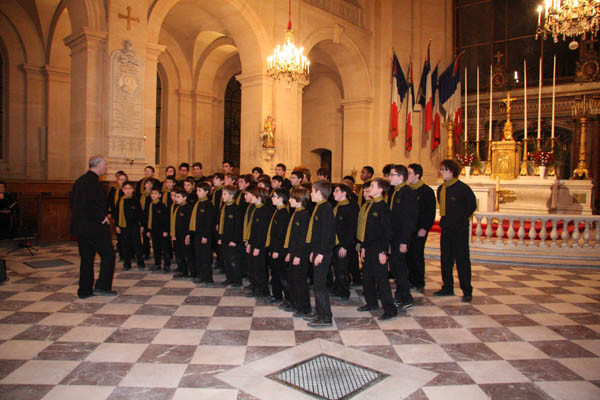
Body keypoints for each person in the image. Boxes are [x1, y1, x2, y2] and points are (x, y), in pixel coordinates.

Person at [70, 156, 116, 298]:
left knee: (86, 259)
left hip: (81, 227)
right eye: (105, 165)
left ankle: (84, 290)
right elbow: (90, 204)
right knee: (109, 254)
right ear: (98, 165)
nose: (106, 168)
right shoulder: (93, 183)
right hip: (95, 228)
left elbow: (73, 202)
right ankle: (102, 286)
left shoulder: (79, 181)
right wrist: (102, 217)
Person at [435, 159, 477, 302]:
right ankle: (447, 286)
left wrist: (460, 219)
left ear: (450, 171)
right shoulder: (441, 189)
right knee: (445, 259)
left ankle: (467, 290)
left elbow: (471, 206)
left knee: (462, 260)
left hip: (459, 229)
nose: (440, 172)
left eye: (442, 170)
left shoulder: (463, 188)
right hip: (446, 228)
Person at [356, 178, 397, 320]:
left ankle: (390, 309)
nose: (370, 188)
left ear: (380, 190)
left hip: (378, 249)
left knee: (381, 279)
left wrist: (383, 252)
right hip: (369, 247)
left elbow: (386, 232)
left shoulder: (382, 207)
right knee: (367, 278)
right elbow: (367, 230)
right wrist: (364, 247)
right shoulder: (371, 205)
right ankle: (371, 303)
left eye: (373, 186)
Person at [304, 181, 336, 328]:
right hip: (317, 251)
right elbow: (316, 234)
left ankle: (326, 317)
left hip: (323, 253)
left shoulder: (326, 209)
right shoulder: (319, 207)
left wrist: (321, 253)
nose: (310, 193)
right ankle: (319, 312)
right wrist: (313, 251)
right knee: (317, 284)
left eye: (312, 191)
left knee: (320, 285)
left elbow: (326, 234)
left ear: (319, 192)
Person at [387, 164, 418, 310]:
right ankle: (400, 294)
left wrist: (404, 241)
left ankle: (407, 297)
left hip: (401, 237)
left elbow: (409, 219)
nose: (389, 177)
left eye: (392, 175)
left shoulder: (407, 193)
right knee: (395, 266)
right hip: (394, 236)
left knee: (399, 267)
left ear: (401, 176)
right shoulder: (395, 191)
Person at [407, 163, 436, 293]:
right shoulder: (408, 189)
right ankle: (410, 279)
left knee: (417, 255)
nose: (407, 176)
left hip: (419, 229)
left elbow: (430, 212)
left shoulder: (426, 191)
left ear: (417, 175)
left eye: (409, 173)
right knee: (408, 255)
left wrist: (425, 227)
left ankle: (419, 281)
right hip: (408, 229)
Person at [283, 187, 312, 317]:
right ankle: (296, 304)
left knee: (300, 281)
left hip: (300, 254)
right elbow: (292, 237)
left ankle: (304, 308)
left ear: (299, 200)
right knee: (293, 280)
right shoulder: (296, 213)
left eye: (292, 198)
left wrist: (298, 255)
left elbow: (303, 239)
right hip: (294, 252)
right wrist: (290, 252)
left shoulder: (304, 215)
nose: (289, 200)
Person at [246, 187, 274, 299]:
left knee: (259, 269)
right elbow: (252, 229)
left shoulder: (264, 211)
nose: (249, 197)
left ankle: (263, 290)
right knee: (252, 267)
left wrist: (257, 246)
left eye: (251, 195)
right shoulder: (255, 209)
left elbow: (262, 232)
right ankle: (255, 288)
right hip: (253, 243)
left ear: (258, 197)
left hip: (259, 245)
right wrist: (249, 242)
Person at [331, 183, 359, 301]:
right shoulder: (336, 206)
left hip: (343, 244)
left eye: (337, 191)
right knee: (337, 268)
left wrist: (345, 246)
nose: (334, 193)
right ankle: (338, 288)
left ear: (344, 193)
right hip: (335, 243)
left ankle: (344, 291)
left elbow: (351, 229)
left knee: (343, 269)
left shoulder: (349, 208)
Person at [266, 189, 291, 305]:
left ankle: (287, 298)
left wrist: (276, 250)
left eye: (274, 196)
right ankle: (276, 295)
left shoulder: (283, 214)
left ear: (281, 199)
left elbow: (281, 235)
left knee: (281, 275)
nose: (272, 198)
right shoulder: (277, 211)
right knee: (275, 274)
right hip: (274, 248)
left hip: (279, 250)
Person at [189, 181, 216, 285]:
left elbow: (209, 222)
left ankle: (208, 278)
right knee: (198, 256)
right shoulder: (198, 203)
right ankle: (200, 275)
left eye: (200, 190)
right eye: (197, 190)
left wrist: (206, 235)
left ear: (206, 192)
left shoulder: (208, 205)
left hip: (205, 235)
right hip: (197, 233)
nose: (197, 192)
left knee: (205, 257)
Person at [115, 181, 146, 271]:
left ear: (133, 190)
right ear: (123, 190)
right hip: (124, 226)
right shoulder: (120, 201)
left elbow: (140, 213)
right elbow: (116, 214)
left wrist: (142, 225)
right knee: (125, 245)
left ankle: (140, 262)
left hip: (134, 226)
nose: (128, 191)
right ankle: (127, 263)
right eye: (126, 189)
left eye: (129, 189)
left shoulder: (136, 200)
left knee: (137, 245)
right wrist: (117, 225)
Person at [219, 185, 243, 287]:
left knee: (233, 261)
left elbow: (238, 227)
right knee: (226, 260)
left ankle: (237, 280)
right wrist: (220, 237)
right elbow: (221, 224)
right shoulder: (224, 207)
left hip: (233, 240)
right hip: (224, 238)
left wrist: (235, 240)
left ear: (232, 196)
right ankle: (229, 278)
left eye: (225, 194)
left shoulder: (236, 209)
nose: (222, 196)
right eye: (222, 194)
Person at [145, 187, 171, 272]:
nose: (153, 195)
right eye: (152, 193)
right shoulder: (150, 204)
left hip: (162, 230)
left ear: (159, 195)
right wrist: (148, 230)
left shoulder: (162, 206)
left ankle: (167, 265)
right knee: (156, 247)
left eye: (156, 193)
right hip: (154, 230)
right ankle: (157, 264)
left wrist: (166, 231)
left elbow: (166, 219)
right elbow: (149, 218)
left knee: (165, 248)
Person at [171, 186, 193, 279]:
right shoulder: (177, 207)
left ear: (185, 198)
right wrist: (173, 234)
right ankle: (182, 270)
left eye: (178, 197)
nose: (176, 198)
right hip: (177, 234)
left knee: (187, 254)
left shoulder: (188, 208)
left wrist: (188, 234)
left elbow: (189, 223)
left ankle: (192, 272)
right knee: (179, 253)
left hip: (184, 235)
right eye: (175, 196)